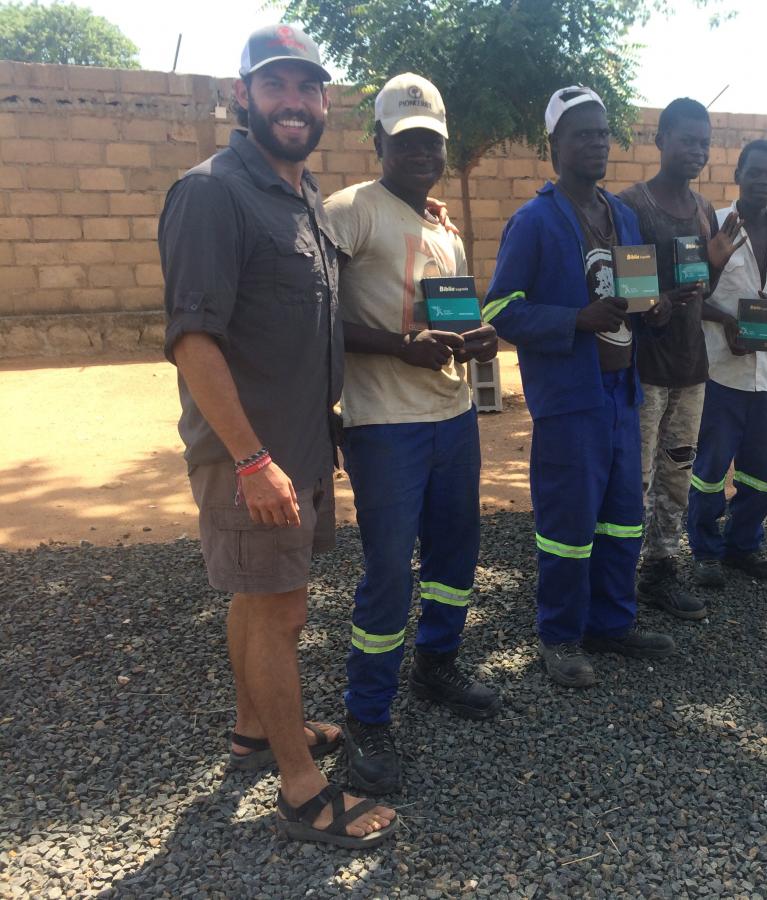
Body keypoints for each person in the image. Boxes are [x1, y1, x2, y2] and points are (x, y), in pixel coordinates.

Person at [159, 25, 395, 848]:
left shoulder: (299, 192)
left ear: (323, 101)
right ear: (243, 95)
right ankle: (301, 789)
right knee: (282, 612)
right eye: (275, 86)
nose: (294, 102)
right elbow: (193, 340)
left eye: (307, 88)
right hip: (251, 454)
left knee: (258, 599)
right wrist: (252, 458)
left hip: (297, 443)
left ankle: (255, 731)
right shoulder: (211, 193)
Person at [323, 73, 501, 794]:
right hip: (386, 425)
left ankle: (437, 664)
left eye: (433, 141)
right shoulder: (349, 212)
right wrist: (401, 347)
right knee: (390, 570)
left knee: (456, 552)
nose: (423, 152)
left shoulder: (441, 226)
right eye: (407, 140)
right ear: (379, 141)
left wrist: (475, 339)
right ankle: (367, 712)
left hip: (452, 416)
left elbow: (449, 316)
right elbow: (316, 314)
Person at [483, 86, 675, 688]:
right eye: (582, 134)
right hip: (571, 399)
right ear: (554, 147)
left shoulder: (621, 216)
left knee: (622, 517)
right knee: (568, 525)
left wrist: (656, 308)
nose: (596, 143)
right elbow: (500, 309)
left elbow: (636, 294)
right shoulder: (534, 222)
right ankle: (561, 635)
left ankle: (611, 623)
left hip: (622, 394)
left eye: (602, 133)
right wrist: (575, 320)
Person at [617, 98, 745, 620]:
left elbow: (699, 291)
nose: (697, 150)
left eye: (704, 142)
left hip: (691, 369)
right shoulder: (631, 207)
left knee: (676, 473)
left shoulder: (704, 211)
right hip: (645, 370)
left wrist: (715, 266)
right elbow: (627, 294)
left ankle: (661, 572)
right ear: (661, 140)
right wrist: (656, 303)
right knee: (636, 476)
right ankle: (616, 580)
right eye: (688, 139)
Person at [687, 139, 767, 589]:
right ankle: (705, 551)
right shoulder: (711, 225)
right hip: (720, 371)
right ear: (738, 174)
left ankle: (744, 546)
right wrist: (726, 322)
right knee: (710, 469)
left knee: (762, 469)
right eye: (755, 172)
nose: (763, 181)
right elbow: (690, 297)